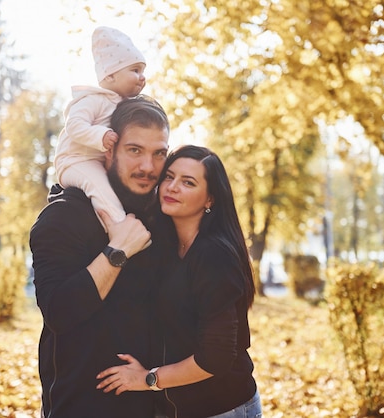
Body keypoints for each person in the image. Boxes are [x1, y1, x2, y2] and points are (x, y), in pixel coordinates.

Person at [96, 145, 262, 418]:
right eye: (169, 177)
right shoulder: (167, 247)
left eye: (188, 182)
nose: (172, 187)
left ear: (210, 199)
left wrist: (147, 379)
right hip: (176, 408)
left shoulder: (214, 255)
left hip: (222, 408)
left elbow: (216, 357)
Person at [29, 95, 169, 417]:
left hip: (149, 402)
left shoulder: (158, 216)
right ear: (109, 149)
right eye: (135, 150)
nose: (148, 167)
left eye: (158, 153)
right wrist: (116, 252)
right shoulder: (64, 215)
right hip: (81, 404)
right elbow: (59, 313)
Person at [54, 26, 147, 228]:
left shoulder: (124, 105)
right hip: (76, 161)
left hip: (99, 161)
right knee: (100, 189)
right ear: (110, 75)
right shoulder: (93, 100)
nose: (142, 77)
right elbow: (74, 125)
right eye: (135, 70)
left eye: (143, 71)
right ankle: (120, 229)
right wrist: (101, 135)